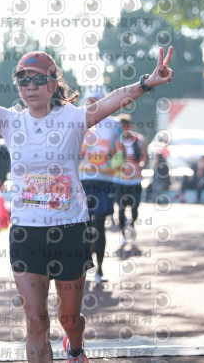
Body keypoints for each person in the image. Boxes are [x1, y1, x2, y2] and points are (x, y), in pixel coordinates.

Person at [0, 24, 174, 363]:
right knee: (35, 321)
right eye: (23, 80)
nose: (30, 86)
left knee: (69, 319)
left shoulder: (74, 119)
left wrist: (147, 82)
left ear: (52, 83)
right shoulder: (9, 121)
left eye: (37, 79)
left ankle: (75, 347)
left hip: (70, 228)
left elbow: (113, 100)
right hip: (26, 231)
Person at [79, 90, 119, 285]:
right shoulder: (78, 122)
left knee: (100, 224)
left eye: (96, 101)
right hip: (83, 181)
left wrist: (116, 162)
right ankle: (85, 264)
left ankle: (100, 269)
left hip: (104, 181)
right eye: (89, 101)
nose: (92, 105)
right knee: (84, 225)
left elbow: (120, 152)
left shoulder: (113, 124)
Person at [113, 114, 148, 246]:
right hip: (120, 181)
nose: (122, 130)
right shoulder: (116, 141)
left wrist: (140, 166)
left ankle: (132, 225)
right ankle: (123, 232)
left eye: (124, 127)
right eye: (120, 127)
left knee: (134, 207)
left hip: (135, 181)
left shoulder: (139, 140)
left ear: (130, 126)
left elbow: (144, 158)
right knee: (121, 208)